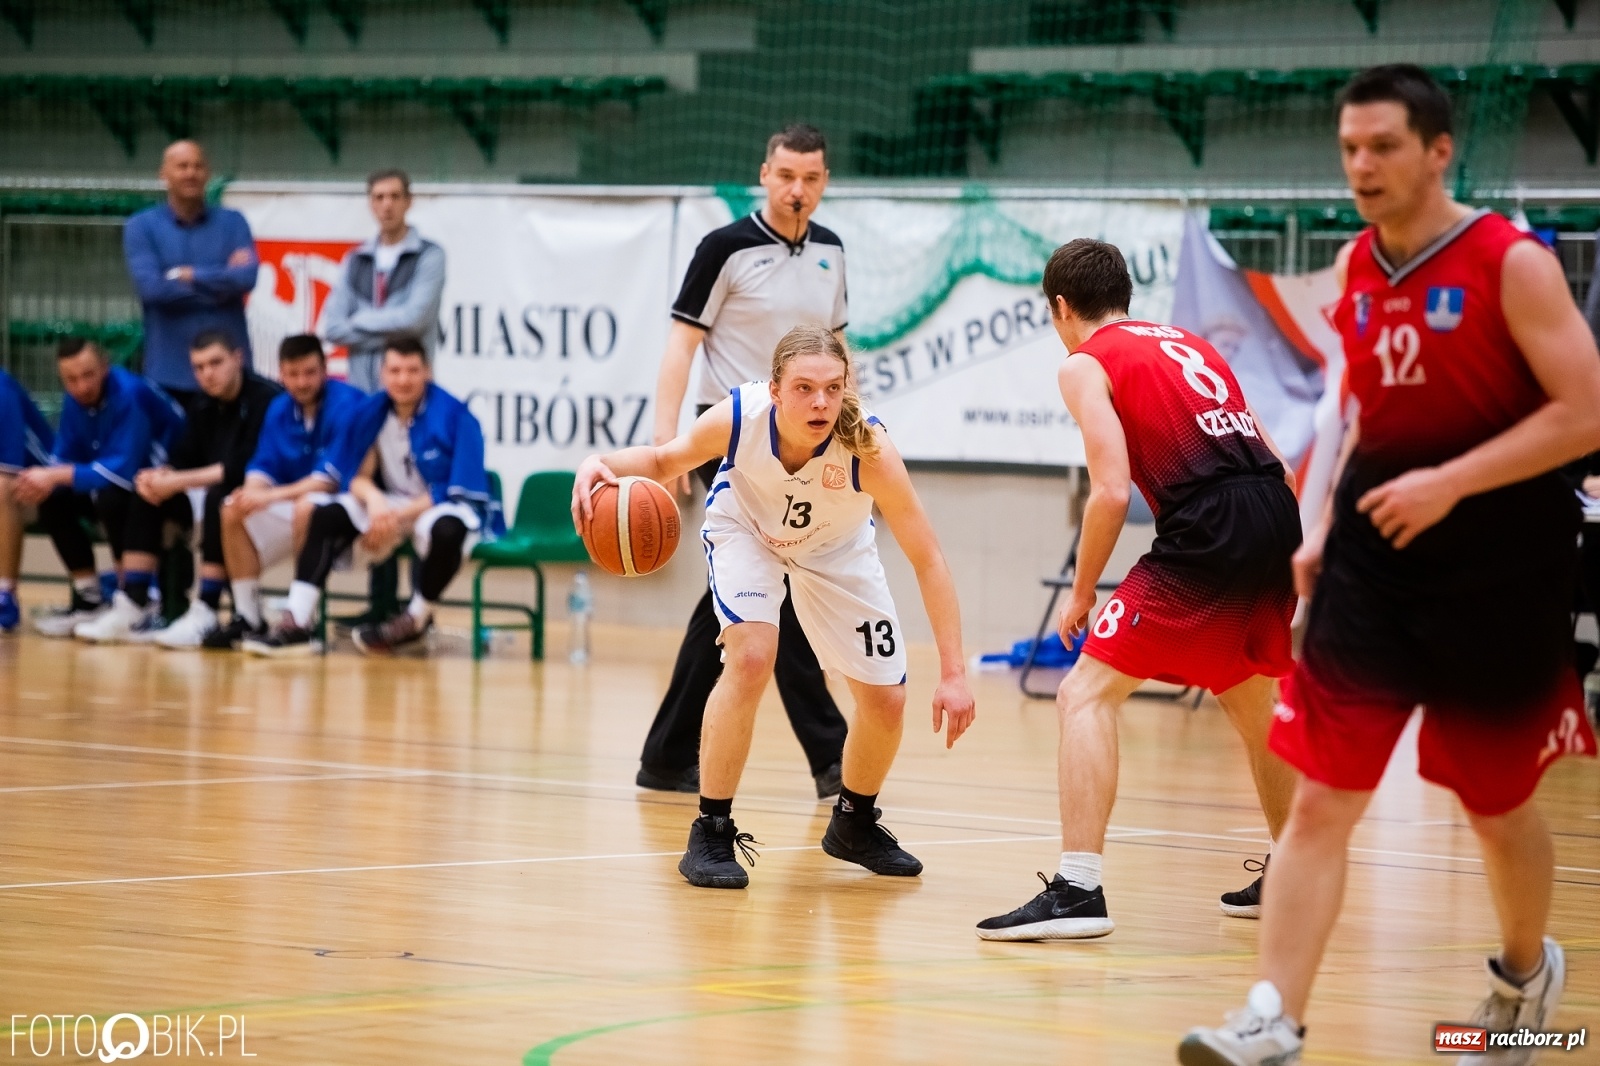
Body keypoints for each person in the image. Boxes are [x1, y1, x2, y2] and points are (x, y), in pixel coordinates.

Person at [1180, 65, 1600, 1066]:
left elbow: (1586, 412)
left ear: (1438, 151)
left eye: (1382, 147)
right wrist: (1322, 524)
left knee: (1494, 807)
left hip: (1499, 571)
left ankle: (1523, 978)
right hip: (1373, 568)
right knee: (1321, 795)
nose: (1360, 166)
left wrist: (1451, 481)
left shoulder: (1511, 263)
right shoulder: (1356, 265)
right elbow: (1355, 409)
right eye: (1348, 149)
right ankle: (1271, 1017)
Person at [974, 239, 1302, 943]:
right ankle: (1296, 872)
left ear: (1061, 307)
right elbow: (1279, 463)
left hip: (1212, 525)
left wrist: (1081, 593)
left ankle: (1077, 890)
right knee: (1254, 700)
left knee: (1083, 694)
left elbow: (1112, 491)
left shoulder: (1086, 362)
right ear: (1124, 294)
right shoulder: (1192, 346)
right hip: (1275, 515)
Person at [573, 325, 977, 890]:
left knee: (886, 701)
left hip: (836, 549)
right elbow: (664, 461)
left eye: (833, 388)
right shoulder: (739, 418)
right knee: (751, 657)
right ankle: (711, 830)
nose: (821, 403)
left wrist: (954, 672)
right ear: (776, 389)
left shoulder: (869, 450)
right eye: (805, 388)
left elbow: (928, 558)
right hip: (748, 533)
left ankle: (854, 822)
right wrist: (601, 464)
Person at [638, 122, 852, 800]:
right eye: (786, 176)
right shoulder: (724, 248)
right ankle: (833, 756)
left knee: (737, 597)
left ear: (824, 182)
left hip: (804, 443)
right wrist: (666, 449)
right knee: (776, 579)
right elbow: (680, 348)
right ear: (764, 175)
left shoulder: (832, 250)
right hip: (730, 437)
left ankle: (666, 755)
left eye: (810, 178)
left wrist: (850, 439)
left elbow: (837, 356)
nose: (797, 190)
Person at [243, 336, 499, 657]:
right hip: (390, 501)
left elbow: (455, 489)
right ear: (382, 374)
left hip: (437, 504)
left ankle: (415, 620)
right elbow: (357, 476)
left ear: (427, 373)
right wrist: (376, 503)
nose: (403, 379)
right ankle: (297, 622)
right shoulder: (371, 412)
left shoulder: (457, 416)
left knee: (448, 529)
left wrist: (393, 516)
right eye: (395, 371)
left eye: (412, 371)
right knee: (325, 514)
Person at [69, 330, 282, 647]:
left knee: (220, 495)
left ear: (238, 359)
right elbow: (183, 458)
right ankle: (135, 604)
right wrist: (160, 477)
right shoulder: (202, 403)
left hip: (261, 498)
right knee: (142, 493)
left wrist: (177, 480)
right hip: (209, 494)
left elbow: (243, 468)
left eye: (215, 363)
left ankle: (206, 608)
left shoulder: (267, 399)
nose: (207, 374)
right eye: (199, 367)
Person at [15, 338, 186, 638]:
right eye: (71, 379)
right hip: (124, 484)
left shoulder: (130, 394)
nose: (81, 386)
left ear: (105, 367)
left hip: (173, 485)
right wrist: (39, 482)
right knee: (52, 497)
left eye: (88, 375)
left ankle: (137, 597)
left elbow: (122, 472)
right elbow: (64, 459)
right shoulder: (74, 401)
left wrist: (53, 475)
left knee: (112, 495)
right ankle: (89, 598)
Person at [204, 335, 364, 649]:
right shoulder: (279, 408)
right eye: (293, 374)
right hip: (294, 501)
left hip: (342, 509)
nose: (301, 382)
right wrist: (251, 494)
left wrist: (268, 497)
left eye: (309, 373)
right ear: (281, 374)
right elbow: (263, 465)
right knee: (232, 507)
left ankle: (300, 621)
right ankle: (248, 616)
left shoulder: (348, 404)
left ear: (325, 370)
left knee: (308, 506)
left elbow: (329, 480)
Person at [123, 140, 258, 408]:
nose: (191, 173)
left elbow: (246, 278)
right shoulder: (141, 226)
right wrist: (221, 286)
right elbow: (152, 289)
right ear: (163, 174)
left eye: (198, 166)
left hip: (229, 374)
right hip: (170, 372)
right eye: (182, 166)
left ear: (208, 174)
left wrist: (191, 275)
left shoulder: (233, 222)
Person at [321, 169, 446, 394]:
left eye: (395, 196)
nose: (387, 205)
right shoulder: (355, 260)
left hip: (410, 393)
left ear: (408, 201)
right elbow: (332, 328)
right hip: (361, 393)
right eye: (379, 197)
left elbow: (414, 321)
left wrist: (359, 320)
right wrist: (396, 333)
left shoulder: (429, 255)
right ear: (370, 203)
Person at [0, 369, 54, 632]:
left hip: (49, 488)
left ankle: (4, 595)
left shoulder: (2, 392)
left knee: (1, 487)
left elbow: (10, 472)